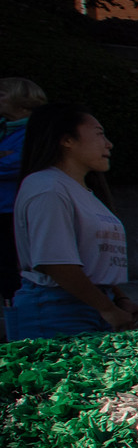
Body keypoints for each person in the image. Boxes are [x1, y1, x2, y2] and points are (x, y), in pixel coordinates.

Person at [8, 105, 138, 339]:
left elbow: (89, 261)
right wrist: (107, 308)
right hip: (56, 310)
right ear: (67, 140)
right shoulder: (48, 188)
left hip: (88, 304)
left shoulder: (77, 189)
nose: (108, 144)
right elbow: (56, 263)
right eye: (99, 133)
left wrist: (118, 299)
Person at [1, 76, 50, 305]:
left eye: (2, 94)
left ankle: (17, 318)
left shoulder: (36, 132)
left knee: (12, 267)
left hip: (14, 211)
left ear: (22, 102)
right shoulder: (5, 129)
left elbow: (21, 163)